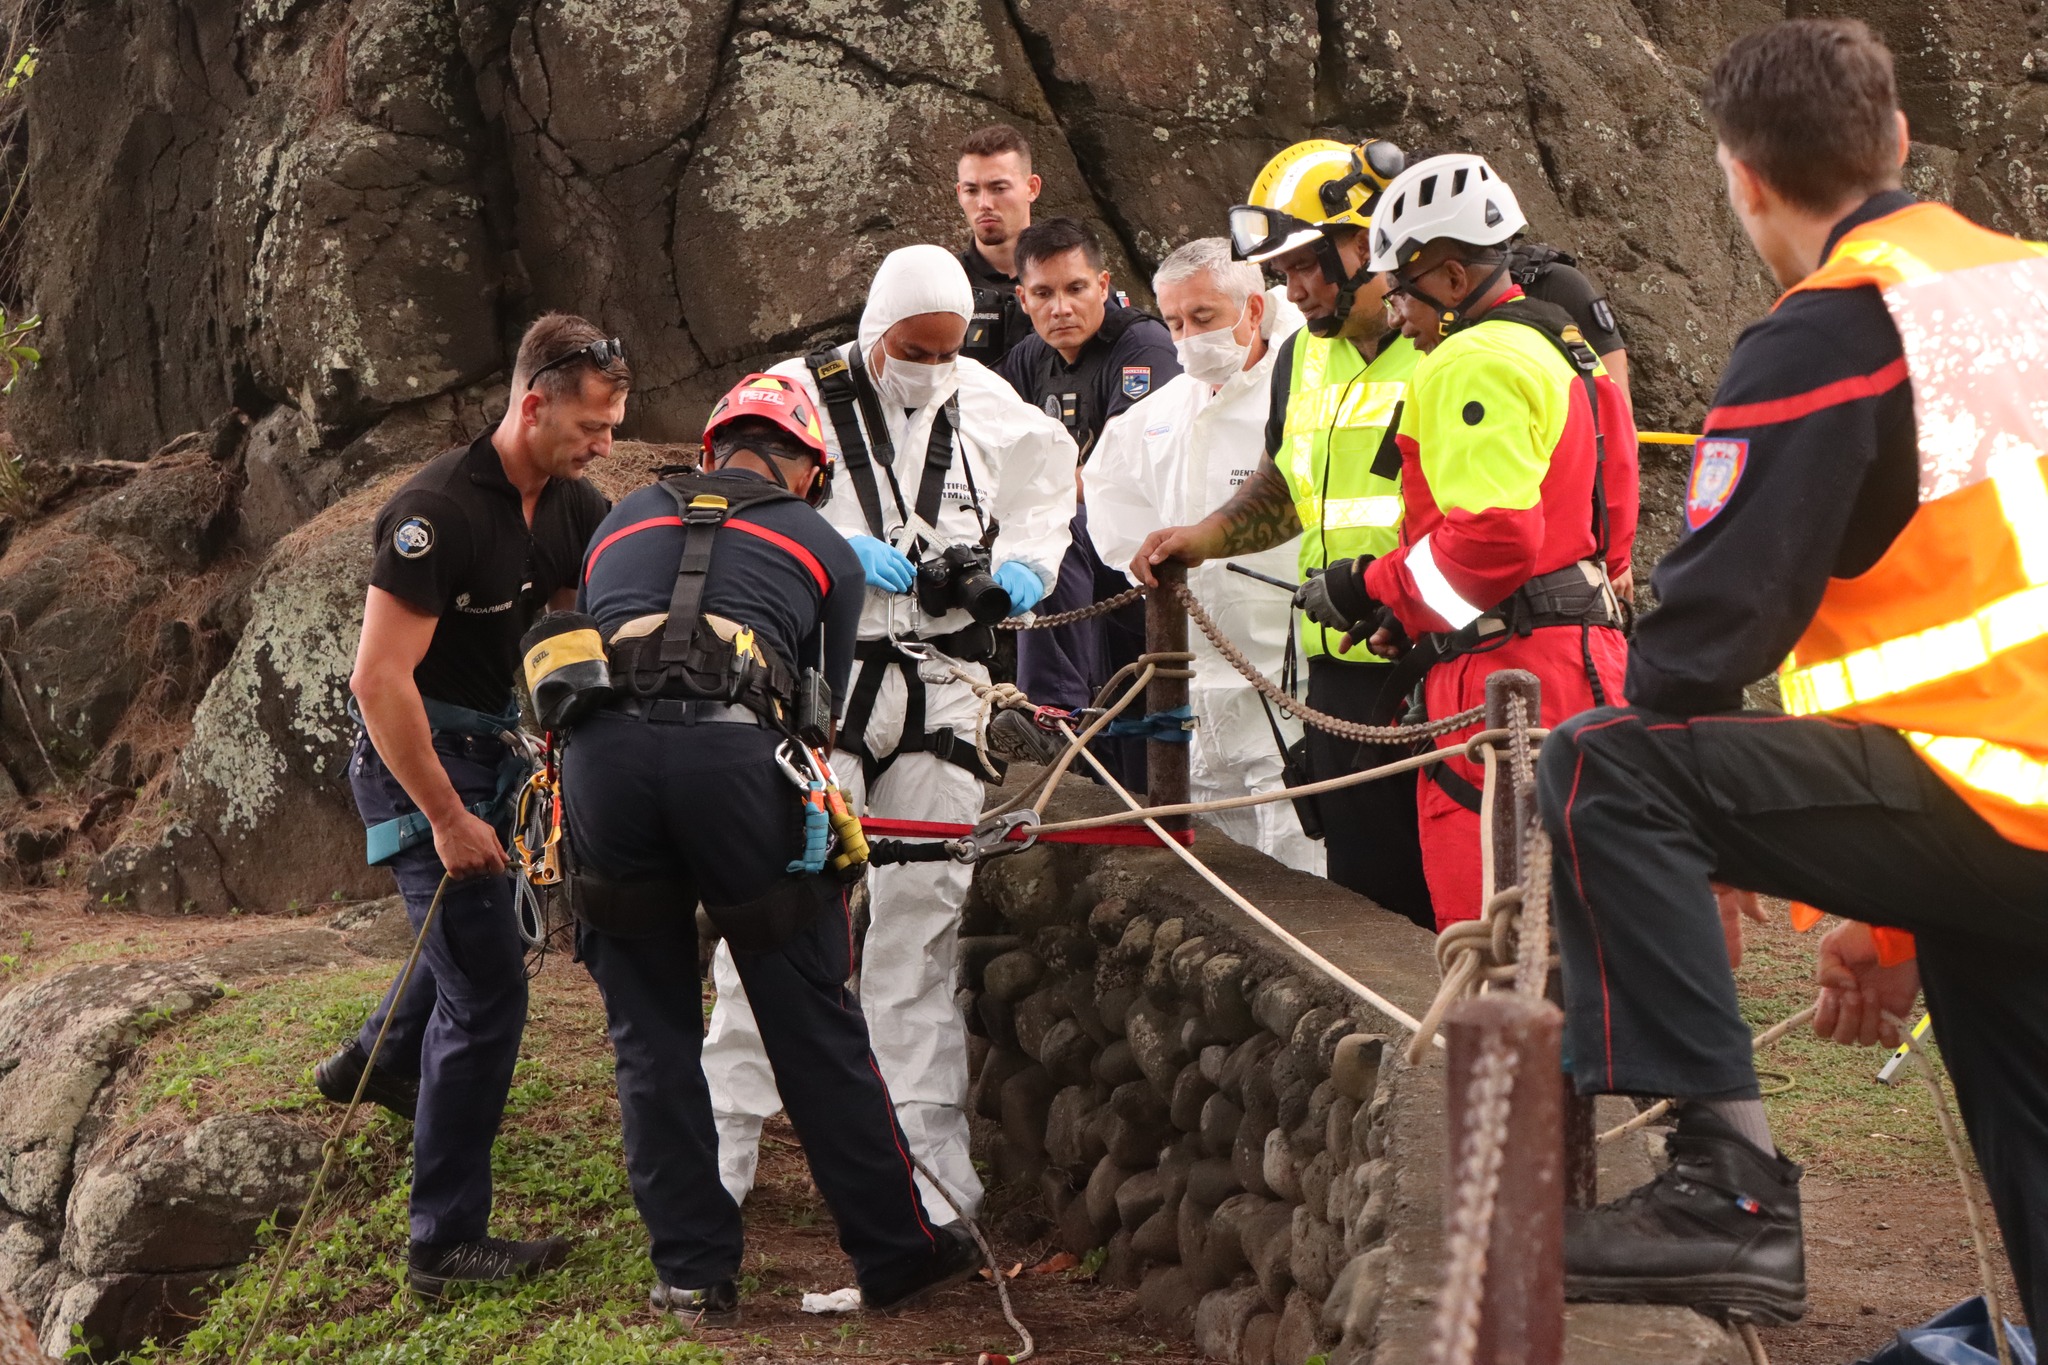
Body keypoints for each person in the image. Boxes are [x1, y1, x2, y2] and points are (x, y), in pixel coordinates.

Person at [1543, 18, 2048, 1330]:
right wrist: (1884, 918)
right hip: (1997, 829)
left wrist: (1689, 861)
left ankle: (1725, 1195)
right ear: (1894, 142)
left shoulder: (1835, 327)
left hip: (1994, 799)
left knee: (1605, 766)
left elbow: (1706, 640)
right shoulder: (2033, 286)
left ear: (1741, 177)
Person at [562, 374, 978, 1327]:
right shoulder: (821, 541)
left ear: (713, 450)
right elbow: (819, 712)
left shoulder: (620, 517)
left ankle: (694, 1271)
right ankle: (895, 1249)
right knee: (811, 1013)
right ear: (808, 468)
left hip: (604, 766)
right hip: (737, 764)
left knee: (649, 1032)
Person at [701, 245, 1077, 1219]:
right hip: (822, 678)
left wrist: (1022, 569)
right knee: (779, 911)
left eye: (946, 351)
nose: (927, 366)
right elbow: (724, 492)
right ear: (875, 333)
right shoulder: (791, 395)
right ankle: (724, 1142)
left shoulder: (988, 403)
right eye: (913, 349)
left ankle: (930, 1159)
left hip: (943, 683)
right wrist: (824, 536)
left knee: (923, 920)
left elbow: (1047, 487)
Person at [314, 314, 618, 1298]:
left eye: (612, 426)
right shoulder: (433, 513)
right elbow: (377, 681)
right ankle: (441, 1246)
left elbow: (572, 632)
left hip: (498, 746)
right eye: (591, 426)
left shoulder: (572, 505)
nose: (602, 445)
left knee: (469, 956)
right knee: (487, 993)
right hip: (419, 759)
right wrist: (447, 818)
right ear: (532, 406)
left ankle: (374, 1059)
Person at [1295, 152, 1635, 931]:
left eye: (1403, 290)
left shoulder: (1468, 361)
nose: (1395, 311)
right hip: (1589, 661)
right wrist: (1410, 615)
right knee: (1587, 928)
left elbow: (1493, 537)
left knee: (1491, 931)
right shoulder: (1565, 347)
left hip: (1506, 682)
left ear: (1451, 280)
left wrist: (1372, 586)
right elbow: (1607, 515)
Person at [1130, 139, 1431, 923]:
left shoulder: (1450, 349)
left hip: (1437, 670)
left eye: (1307, 263)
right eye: (1284, 269)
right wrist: (1201, 537)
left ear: (1369, 242)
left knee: (1461, 914)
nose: (1293, 286)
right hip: (1337, 675)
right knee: (1368, 909)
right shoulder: (1304, 358)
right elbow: (1286, 487)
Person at [1086, 237, 1321, 873]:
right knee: (1217, 882)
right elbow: (1109, 488)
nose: (1188, 337)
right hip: (1193, 685)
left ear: (1252, 307)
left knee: (1305, 872)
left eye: (1204, 318)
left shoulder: (1305, 384)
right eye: (1174, 322)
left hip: (1287, 677)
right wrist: (1137, 553)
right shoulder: (1163, 410)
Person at [998, 216, 1182, 786]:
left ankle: (1049, 708)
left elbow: (1116, 473)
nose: (1061, 307)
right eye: (1044, 294)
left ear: (1103, 285)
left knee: (1056, 518)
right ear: (1022, 299)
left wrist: (1032, 497)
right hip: (1079, 588)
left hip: (1146, 554)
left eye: (1076, 289)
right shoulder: (1030, 359)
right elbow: (988, 443)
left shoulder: (1142, 345)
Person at [956, 124, 1041, 369]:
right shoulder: (944, 284)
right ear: (960, 193)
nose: (984, 203)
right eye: (972, 190)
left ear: (1032, 188)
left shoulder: (1071, 285)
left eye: (999, 188)